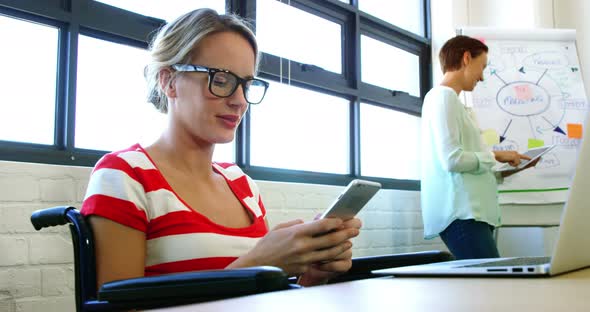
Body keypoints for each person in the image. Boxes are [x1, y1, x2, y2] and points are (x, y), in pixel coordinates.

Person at [80, 8, 361, 288]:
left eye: (246, 85)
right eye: (222, 80)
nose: (240, 101)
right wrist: (257, 264)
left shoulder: (243, 186)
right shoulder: (125, 177)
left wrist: (311, 277)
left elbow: (258, 302)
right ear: (169, 81)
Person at [420, 35, 538, 260]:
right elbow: (452, 160)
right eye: (482, 66)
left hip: (472, 216)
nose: (482, 76)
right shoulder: (443, 97)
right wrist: (494, 156)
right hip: (464, 216)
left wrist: (513, 165)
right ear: (466, 58)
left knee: (486, 288)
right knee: (491, 287)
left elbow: (470, 165)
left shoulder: (451, 102)